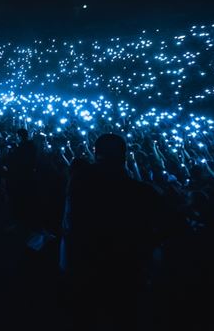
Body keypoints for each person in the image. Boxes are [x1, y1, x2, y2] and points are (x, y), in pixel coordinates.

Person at [60, 133, 176, 328]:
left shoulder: (78, 188)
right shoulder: (142, 193)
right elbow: (170, 229)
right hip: (126, 276)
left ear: (96, 154)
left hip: (86, 273)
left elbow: (70, 229)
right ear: (124, 156)